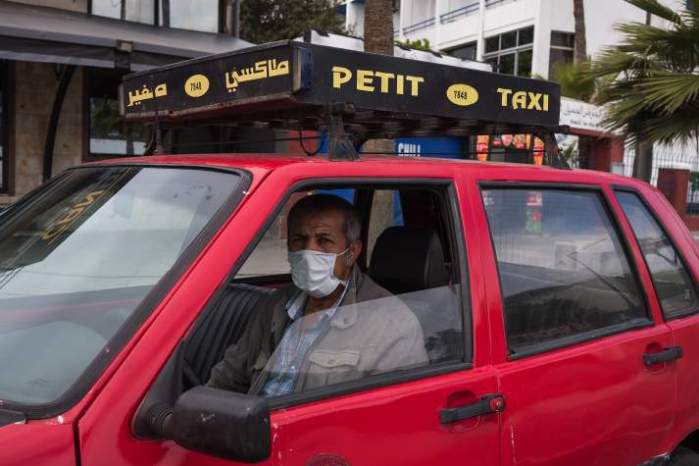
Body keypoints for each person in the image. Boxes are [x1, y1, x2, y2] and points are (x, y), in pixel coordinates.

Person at [207, 194, 428, 395]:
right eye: (299, 240)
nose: (309, 251)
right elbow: (228, 378)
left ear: (352, 252)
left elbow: (385, 422)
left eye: (324, 241)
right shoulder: (276, 305)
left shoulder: (392, 324)